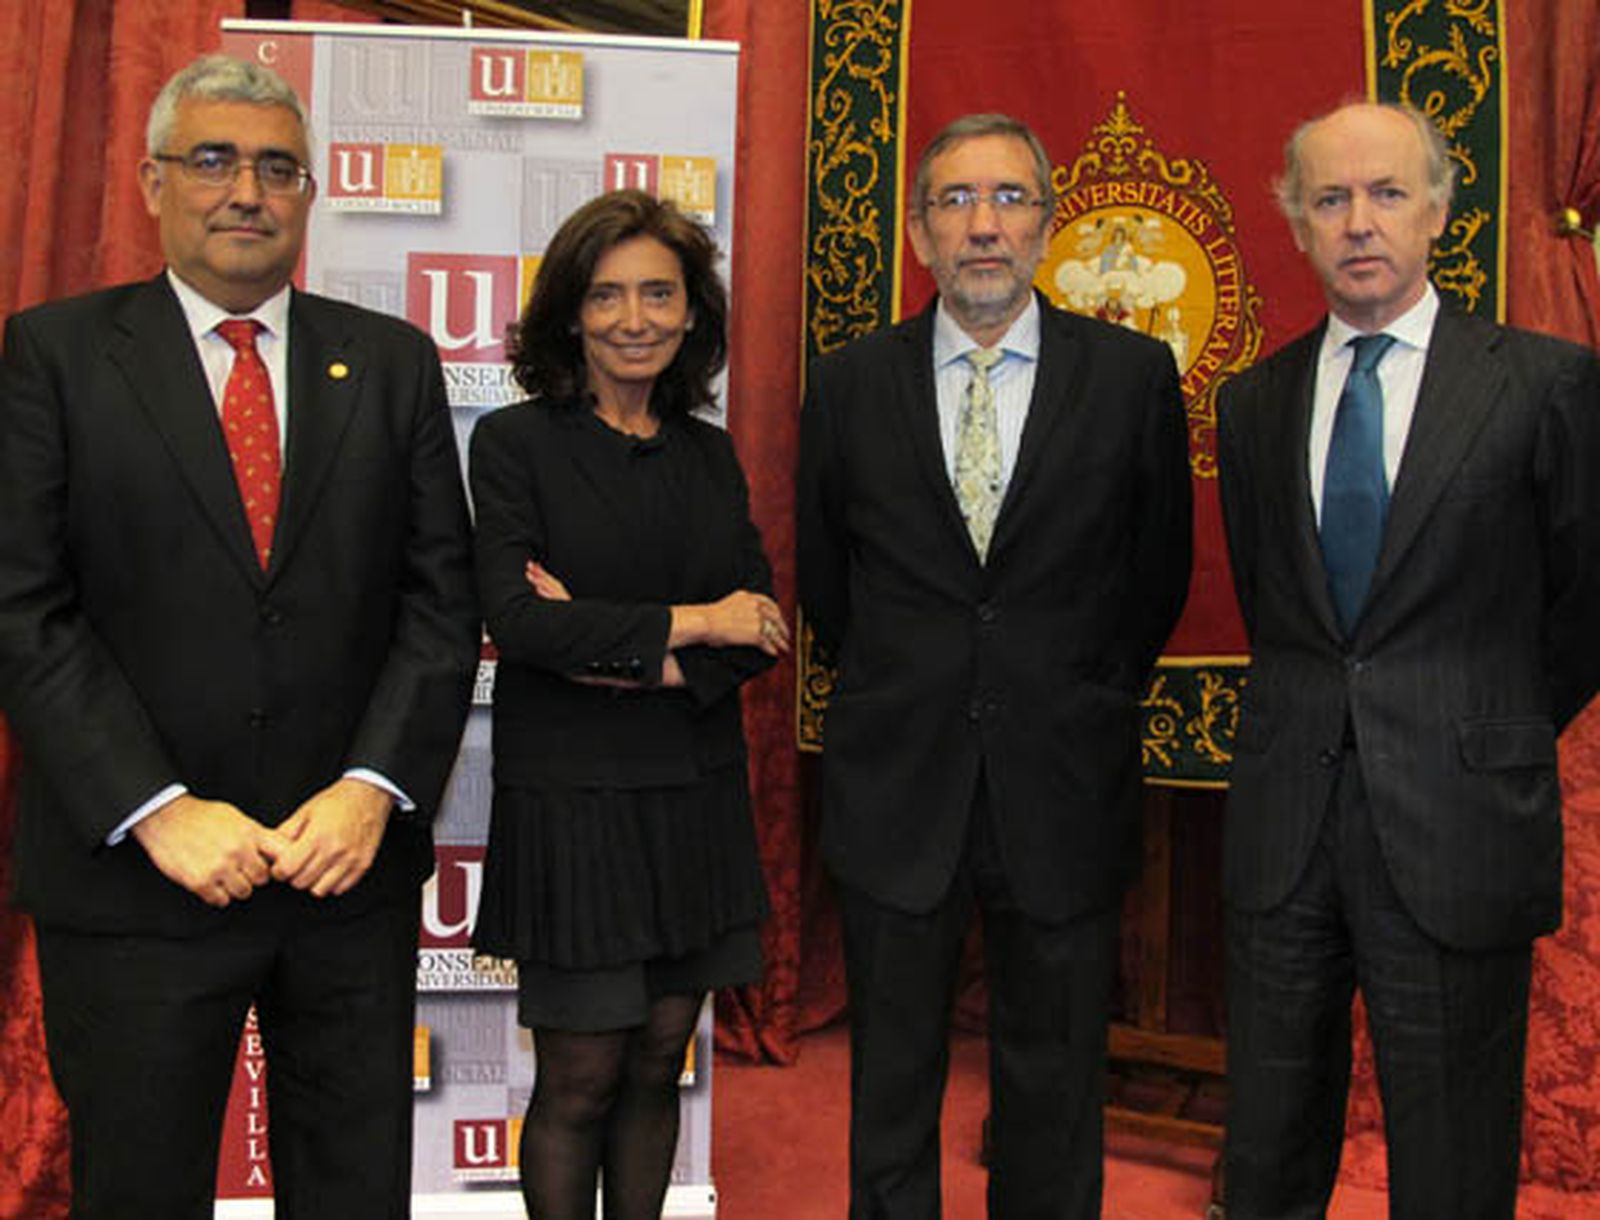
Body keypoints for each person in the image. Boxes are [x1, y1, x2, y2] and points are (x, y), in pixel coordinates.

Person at [0, 53, 479, 1219]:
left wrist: (372, 787)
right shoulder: (52, 355)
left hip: (343, 873)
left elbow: (439, 599)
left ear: (311, 193)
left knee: (354, 1188)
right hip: (139, 884)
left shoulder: (393, 363)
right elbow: (22, 604)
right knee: (140, 1190)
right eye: (212, 161)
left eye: (277, 167)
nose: (246, 191)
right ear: (153, 183)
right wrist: (159, 808)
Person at [797, 113, 1192, 1218]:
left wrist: (1075, 687)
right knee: (891, 1085)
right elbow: (830, 584)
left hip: (1063, 777)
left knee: (1053, 1084)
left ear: (1049, 223)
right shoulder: (846, 384)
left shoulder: (1130, 376)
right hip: (898, 780)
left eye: (1010, 198)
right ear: (919, 231)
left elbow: (1154, 574)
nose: (984, 224)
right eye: (956, 201)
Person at [1216, 101, 1600, 1219]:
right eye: (1329, 198)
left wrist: (1484, 724)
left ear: (1437, 209)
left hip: (1458, 811)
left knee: (1450, 1148)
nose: (1359, 221)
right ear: (1295, 224)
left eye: (1386, 193)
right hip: (1287, 818)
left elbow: (1583, 601)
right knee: (1268, 1140)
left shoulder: (1541, 383)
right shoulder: (1253, 402)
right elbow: (1276, 605)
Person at [468, 188, 783, 1220]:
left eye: (659, 292)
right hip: (573, 799)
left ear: (693, 313)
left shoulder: (707, 451)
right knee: (582, 1076)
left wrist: (620, 645)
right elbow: (522, 623)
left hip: (692, 793)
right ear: (570, 312)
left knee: (657, 1062)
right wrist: (695, 623)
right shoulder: (514, 445)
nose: (634, 317)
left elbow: (762, 630)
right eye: (607, 295)